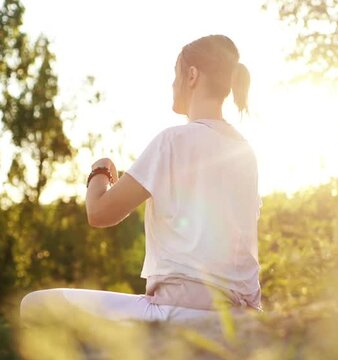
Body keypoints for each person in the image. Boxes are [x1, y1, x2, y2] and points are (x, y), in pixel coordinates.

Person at [20, 34, 263, 324]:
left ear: (192, 75)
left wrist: (100, 170)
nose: (172, 85)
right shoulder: (244, 151)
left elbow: (99, 213)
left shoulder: (173, 140)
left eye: (176, 75)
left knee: (35, 306)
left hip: (179, 310)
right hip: (242, 316)